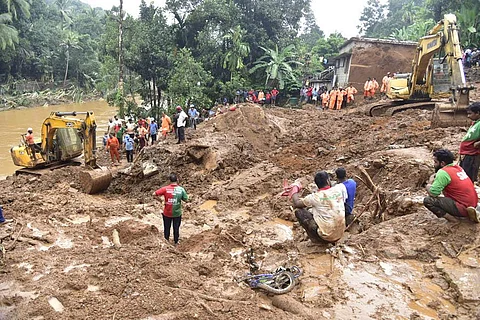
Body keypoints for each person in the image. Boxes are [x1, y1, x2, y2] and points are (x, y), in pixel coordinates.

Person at [286, 171, 346, 243]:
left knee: (299, 212)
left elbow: (297, 203)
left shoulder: (315, 197)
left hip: (326, 237)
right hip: (340, 234)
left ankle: (315, 240)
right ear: (328, 181)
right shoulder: (338, 189)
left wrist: (294, 189)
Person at [424, 149, 479, 223]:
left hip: (462, 206)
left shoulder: (443, 172)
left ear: (442, 163)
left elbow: (433, 193)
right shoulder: (458, 168)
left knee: (428, 201)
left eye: (435, 162)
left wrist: (428, 184)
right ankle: (473, 211)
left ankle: (453, 220)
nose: (434, 165)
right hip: (472, 203)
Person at [153, 173, 189, 245]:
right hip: (177, 213)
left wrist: (161, 201)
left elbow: (154, 194)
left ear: (169, 181)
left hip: (167, 213)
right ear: (177, 180)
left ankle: (166, 241)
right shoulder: (181, 189)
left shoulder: (165, 189)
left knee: (167, 228)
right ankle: (176, 242)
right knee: (176, 228)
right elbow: (186, 199)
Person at [459, 102, 480, 182]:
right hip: (468, 154)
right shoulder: (476, 123)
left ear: (477, 113)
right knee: (464, 176)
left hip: (473, 155)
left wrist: (477, 144)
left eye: (470, 114)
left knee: (468, 178)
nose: (468, 116)